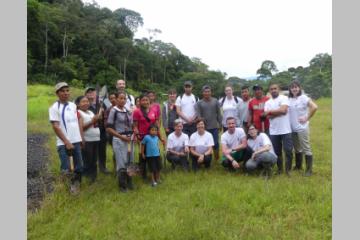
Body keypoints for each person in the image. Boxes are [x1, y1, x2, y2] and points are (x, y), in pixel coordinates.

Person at [49, 82, 83, 194]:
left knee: (79, 166)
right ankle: (65, 189)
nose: (65, 93)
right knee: (66, 168)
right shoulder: (54, 108)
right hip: (64, 143)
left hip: (76, 141)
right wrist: (66, 141)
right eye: (62, 91)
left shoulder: (73, 106)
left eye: (67, 90)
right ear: (57, 93)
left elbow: (77, 122)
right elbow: (55, 126)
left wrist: (80, 138)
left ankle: (76, 186)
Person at [288, 81, 318, 176]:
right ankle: (298, 166)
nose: (294, 89)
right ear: (290, 89)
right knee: (297, 149)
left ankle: (309, 170)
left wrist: (307, 117)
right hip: (292, 129)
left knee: (306, 148)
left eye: (296, 87)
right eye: (292, 87)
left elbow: (314, 107)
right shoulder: (289, 99)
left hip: (302, 128)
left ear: (299, 88)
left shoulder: (304, 98)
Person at [106, 91, 134, 192]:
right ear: (116, 99)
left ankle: (130, 181)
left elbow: (131, 124)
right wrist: (122, 137)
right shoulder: (114, 110)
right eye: (120, 98)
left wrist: (132, 134)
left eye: (124, 99)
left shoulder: (127, 110)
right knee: (121, 162)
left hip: (129, 139)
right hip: (119, 139)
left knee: (130, 161)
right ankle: (122, 185)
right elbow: (109, 128)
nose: (122, 100)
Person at [133, 93, 165, 180]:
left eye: (147, 100)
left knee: (155, 156)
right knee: (143, 157)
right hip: (142, 138)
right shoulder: (136, 112)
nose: (145, 102)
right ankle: (143, 175)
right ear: (140, 102)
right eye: (143, 100)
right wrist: (136, 134)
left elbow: (156, 125)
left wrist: (161, 137)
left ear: (149, 101)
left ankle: (156, 176)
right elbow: (135, 125)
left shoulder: (153, 111)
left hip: (153, 138)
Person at [264, 83, 294, 175]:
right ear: (269, 91)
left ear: (279, 89)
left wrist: (270, 112)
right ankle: (280, 170)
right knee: (277, 152)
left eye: (275, 88)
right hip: (274, 131)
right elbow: (267, 117)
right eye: (271, 89)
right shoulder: (267, 102)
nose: (273, 90)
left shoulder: (284, 98)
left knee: (288, 150)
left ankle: (288, 170)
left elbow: (284, 110)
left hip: (286, 130)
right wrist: (277, 112)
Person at [85, 86, 111, 174]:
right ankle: (91, 170)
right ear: (85, 95)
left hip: (102, 131)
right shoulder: (84, 104)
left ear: (96, 94)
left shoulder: (102, 102)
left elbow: (112, 107)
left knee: (102, 151)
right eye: (88, 92)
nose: (91, 93)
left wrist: (105, 111)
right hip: (89, 132)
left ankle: (103, 168)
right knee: (91, 152)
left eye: (92, 92)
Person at [76, 96, 101, 184]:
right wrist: (92, 121)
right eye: (83, 101)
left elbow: (95, 123)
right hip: (87, 140)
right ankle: (88, 178)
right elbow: (81, 127)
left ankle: (94, 178)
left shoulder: (90, 112)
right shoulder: (78, 113)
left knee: (94, 160)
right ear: (78, 104)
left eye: (87, 101)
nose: (86, 103)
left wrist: (97, 119)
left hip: (96, 139)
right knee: (88, 160)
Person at [195, 85, 222, 161]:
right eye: (205, 92)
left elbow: (219, 113)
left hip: (214, 126)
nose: (207, 93)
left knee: (216, 144)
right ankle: (205, 158)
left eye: (208, 91)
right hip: (204, 128)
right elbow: (198, 116)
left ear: (211, 92)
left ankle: (217, 158)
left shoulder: (215, 101)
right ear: (202, 93)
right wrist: (201, 120)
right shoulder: (199, 103)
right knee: (205, 144)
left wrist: (220, 124)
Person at [104, 92, 117, 174]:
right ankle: (116, 168)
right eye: (111, 98)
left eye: (114, 98)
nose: (113, 100)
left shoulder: (123, 108)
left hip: (123, 133)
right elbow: (106, 123)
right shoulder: (108, 110)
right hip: (113, 134)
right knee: (115, 152)